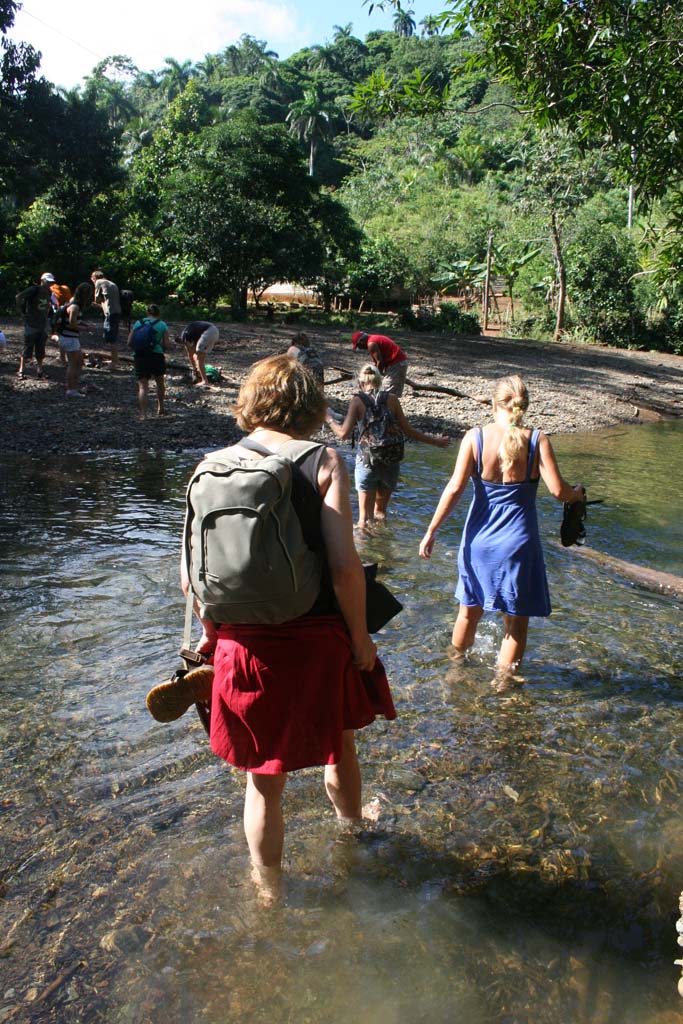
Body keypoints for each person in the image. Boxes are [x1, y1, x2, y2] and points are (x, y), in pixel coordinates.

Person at [180, 355, 395, 897]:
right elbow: (346, 567)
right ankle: (351, 831)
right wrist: (362, 640)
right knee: (339, 744)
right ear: (310, 404)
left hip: (242, 645)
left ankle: (268, 891)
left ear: (252, 401)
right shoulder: (323, 460)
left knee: (262, 781)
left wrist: (210, 636)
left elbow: (192, 576)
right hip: (316, 638)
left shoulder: (212, 463)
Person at [418, 374, 584, 691]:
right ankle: (503, 690)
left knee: (468, 613)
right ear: (526, 406)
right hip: (518, 543)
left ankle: (455, 673)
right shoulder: (537, 440)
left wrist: (431, 531)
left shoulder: (475, 437)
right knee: (515, 626)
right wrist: (578, 494)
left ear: (494, 404)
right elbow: (558, 490)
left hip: (478, 541)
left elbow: (454, 489)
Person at [325, 364, 451, 529]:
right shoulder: (392, 399)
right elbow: (408, 431)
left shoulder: (357, 401)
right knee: (381, 513)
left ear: (361, 383)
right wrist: (436, 442)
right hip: (390, 460)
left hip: (367, 461)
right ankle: (384, 548)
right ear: (379, 381)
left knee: (363, 520)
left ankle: (367, 552)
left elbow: (343, 433)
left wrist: (327, 418)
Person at [127, 303, 168, 420]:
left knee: (143, 386)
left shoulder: (138, 323)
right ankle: (161, 408)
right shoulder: (162, 324)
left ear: (147, 313)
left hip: (140, 356)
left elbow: (129, 342)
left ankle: (143, 414)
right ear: (158, 313)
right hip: (156, 355)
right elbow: (166, 344)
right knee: (160, 383)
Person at [15, 272, 53, 379]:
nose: (50, 284)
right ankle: (21, 370)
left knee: (40, 348)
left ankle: (40, 370)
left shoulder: (49, 292)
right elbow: (19, 296)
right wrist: (21, 313)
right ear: (43, 280)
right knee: (27, 347)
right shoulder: (34, 289)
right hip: (31, 323)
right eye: (48, 282)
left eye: (51, 282)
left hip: (42, 324)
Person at [56, 280, 91, 397]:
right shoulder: (75, 306)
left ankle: (74, 385)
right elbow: (72, 323)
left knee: (79, 361)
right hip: (69, 338)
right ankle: (71, 389)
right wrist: (83, 328)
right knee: (73, 363)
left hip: (71, 338)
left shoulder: (72, 303)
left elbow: (73, 320)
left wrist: (82, 323)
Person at [351, 330, 409, 397]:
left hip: (397, 364)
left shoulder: (371, 344)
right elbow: (378, 362)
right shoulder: (373, 339)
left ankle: (389, 406)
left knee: (388, 392)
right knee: (388, 391)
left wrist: (376, 376)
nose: (360, 348)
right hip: (397, 363)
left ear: (362, 340)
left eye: (358, 345)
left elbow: (380, 362)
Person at [91, 270, 122, 369]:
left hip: (110, 314)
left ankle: (114, 363)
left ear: (94, 277)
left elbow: (97, 299)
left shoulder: (98, 282)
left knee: (111, 339)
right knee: (111, 337)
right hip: (117, 312)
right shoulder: (112, 283)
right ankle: (114, 358)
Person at [178, 321, 220, 386]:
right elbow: (194, 350)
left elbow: (190, 353)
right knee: (200, 356)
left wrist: (194, 369)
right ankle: (201, 375)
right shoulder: (192, 334)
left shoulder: (184, 336)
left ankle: (204, 381)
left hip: (208, 332)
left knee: (199, 358)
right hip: (215, 331)